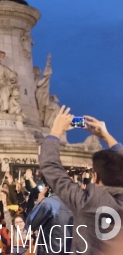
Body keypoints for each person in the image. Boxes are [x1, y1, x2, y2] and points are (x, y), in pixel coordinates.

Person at [39, 106, 123, 254]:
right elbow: (51, 166)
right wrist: (108, 137)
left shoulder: (85, 201)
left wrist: (56, 130)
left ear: (95, 177)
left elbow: (51, 167)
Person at [26, 183, 73, 255]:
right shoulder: (77, 203)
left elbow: (30, 223)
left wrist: (39, 201)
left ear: (48, 187)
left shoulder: (48, 203)